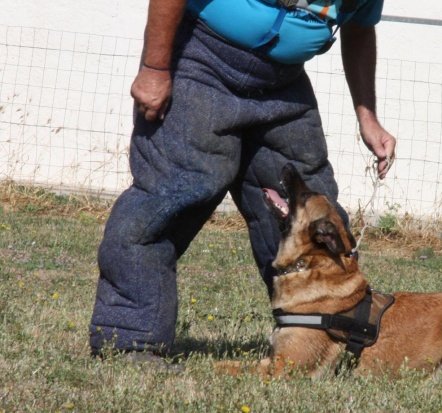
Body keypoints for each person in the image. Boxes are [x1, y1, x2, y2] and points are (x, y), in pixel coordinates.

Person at [89, 0, 396, 365]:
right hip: (202, 62)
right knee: (170, 195)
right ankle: (130, 341)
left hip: (283, 82)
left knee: (314, 214)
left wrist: (368, 117)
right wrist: (155, 68)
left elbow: (359, 29)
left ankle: (328, 335)